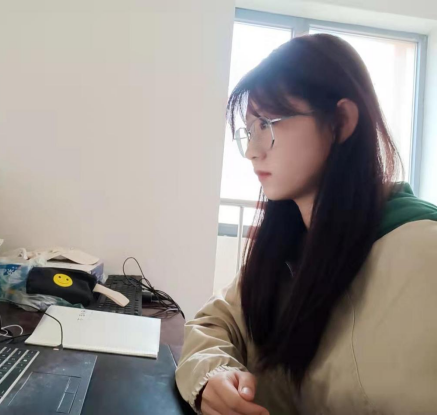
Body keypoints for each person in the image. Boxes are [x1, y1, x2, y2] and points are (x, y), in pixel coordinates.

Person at [175, 34, 437, 415]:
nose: (252, 151)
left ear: (340, 122)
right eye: (249, 130)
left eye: (267, 124)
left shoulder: (422, 252)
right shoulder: (289, 246)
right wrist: (213, 377)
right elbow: (215, 322)